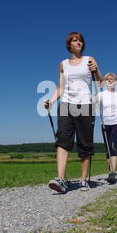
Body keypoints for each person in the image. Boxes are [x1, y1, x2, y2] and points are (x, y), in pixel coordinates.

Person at [44, 32, 103, 193]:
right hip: (66, 105)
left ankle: (84, 180)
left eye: (80, 40)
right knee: (62, 140)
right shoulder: (63, 64)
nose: (78, 42)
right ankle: (61, 179)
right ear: (69, 44)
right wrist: (51, 100)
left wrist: (96, 70)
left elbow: (100, 82)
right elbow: (60, 87)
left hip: (85, 105)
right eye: (74, 40)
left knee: (85, 144)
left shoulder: (89, 60)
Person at [95, 73, 117, 184]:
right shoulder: (101, 94)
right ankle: (110, 173)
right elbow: (93, 103)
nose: (109, 81)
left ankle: (113, 172)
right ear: (104, 82)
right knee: (108, 148)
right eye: (107, 79)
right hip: (105, 124)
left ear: (115, 82)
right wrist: (93, 99)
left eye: (111, 79)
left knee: (112, 145)